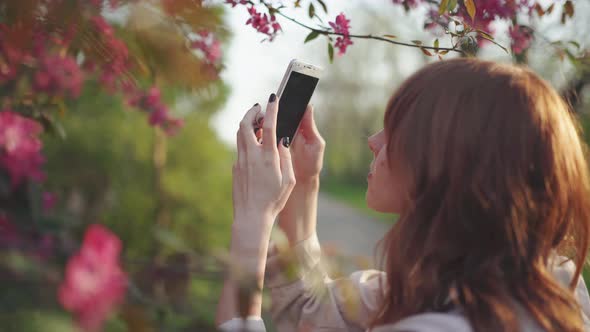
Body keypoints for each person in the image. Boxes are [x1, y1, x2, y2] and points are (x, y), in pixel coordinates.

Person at [215, 58, 590, 331]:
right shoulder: (536, 284)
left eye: (396, 129)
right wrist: (305, 183)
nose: (373, 141)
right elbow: (308, 310)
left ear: (448, 160)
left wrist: (252, 221)